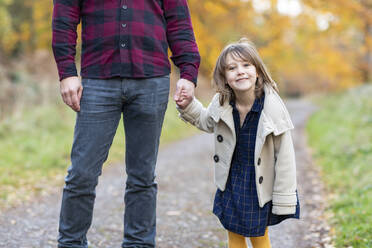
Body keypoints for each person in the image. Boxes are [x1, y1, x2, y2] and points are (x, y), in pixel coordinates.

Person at [52, 0, 200, 247]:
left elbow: (179, 22)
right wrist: (67, 71)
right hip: (98, 79)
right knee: (81, 174)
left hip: (151, 79)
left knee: (142, 176)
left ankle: (139, 243)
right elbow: (64, 20)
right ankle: (71, 243)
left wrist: (188, 72)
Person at [175, 38, 300, 248]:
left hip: (258, 183)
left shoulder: (272, 108)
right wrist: (188, 105)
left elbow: (285, 158)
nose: (240, 71)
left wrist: (284, 197)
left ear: (257, 71)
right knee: (233, 232)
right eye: (232, 68)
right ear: (224, 78)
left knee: (259, 236)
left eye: (246, 65)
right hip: (232, 180)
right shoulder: (222, 102)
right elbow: (206, 122)